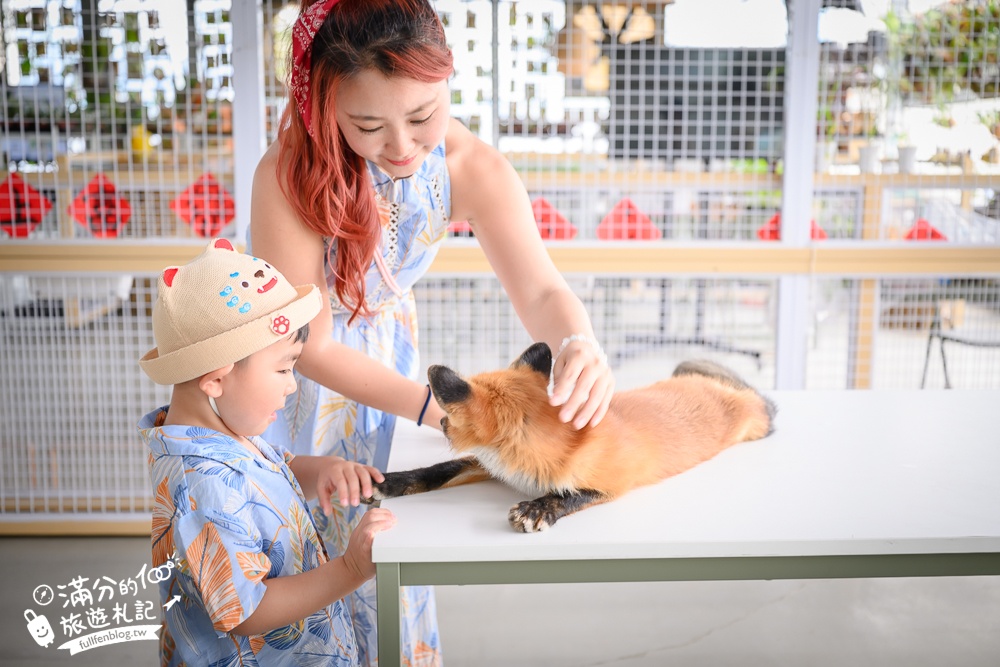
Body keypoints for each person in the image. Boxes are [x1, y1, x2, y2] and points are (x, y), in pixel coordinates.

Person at [250, 0, 616, 663]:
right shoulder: (289, 174)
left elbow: (540, 289)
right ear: (321, 104)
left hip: (393, 377)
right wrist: (436, 410)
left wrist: (576, 342)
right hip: (293, 389)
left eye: (423, 115)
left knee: (387, 562)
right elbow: (311, 346)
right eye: (367, 124)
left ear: (448, 77)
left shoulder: (471, 166)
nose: (401, 146)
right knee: (301, 572)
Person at [137, 238, 396, 666]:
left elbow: (275, 471)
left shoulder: (225, 432)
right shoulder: (200, 485)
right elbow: (246, 609)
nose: (292, 384)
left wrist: (325, 471)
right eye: (282, 368)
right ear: (216, 379)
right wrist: (349, 569)